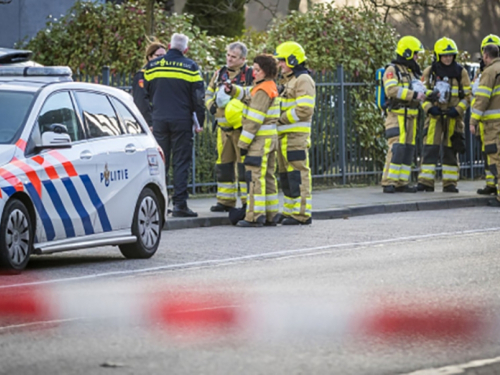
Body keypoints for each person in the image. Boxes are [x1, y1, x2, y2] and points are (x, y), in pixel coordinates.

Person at [144, 33, 205, 217]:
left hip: (159, 120)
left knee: (161, 163)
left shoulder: (152, 66)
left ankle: (159, 204)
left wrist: (149, 120)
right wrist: (199, 122)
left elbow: (143, 94)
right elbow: (199, 98)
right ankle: (180, 205)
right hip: (181, 121)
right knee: (181, 163)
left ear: (169, 46)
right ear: (185, 49)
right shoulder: (191, 67)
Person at [224, 54, 280, 227]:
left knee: (254, 178)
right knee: (268, 177)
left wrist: (243, 144)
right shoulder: (267, 86)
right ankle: (271, 214)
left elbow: (254, 120)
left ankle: (255, 216)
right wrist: (233, 90)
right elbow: (248, 93)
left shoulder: (263, 90)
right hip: (269, 140)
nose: (254, 73)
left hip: (259, 141)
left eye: (257, 70)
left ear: (266, 71)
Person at [417, 37, 471, 193]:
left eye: (450, 55)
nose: (448, 58)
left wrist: (458, 110)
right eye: (444, 55)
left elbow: (468, 96)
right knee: (430, 149)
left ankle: (450, 183)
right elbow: (421, 94)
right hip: (434, 117)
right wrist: (429, 108)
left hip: (453, 118)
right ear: (438, 56)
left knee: (450, 150)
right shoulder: (430, 72)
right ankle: (426, 182)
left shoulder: (461, 72)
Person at [205, 42, 254, 213]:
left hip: (242, 129)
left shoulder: (250, 74)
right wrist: (210, 105)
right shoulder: (220, 73)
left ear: (243, 59)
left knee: (243, 167)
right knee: (224, 166)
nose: (229, 59)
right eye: (228, 55)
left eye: (233, 57)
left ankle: (247, 201)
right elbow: (208, 92)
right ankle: (225, 201)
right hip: (223, 130)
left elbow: (254, 95)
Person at [274, 41, 315, 225]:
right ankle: (289, 211)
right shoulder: (289, 80)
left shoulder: (303, 80)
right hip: (284, 137)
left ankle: (301, 214)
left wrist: (281, 118)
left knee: (298, 174)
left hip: (295, 137)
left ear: (292, 60)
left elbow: (305, 109)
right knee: (286, 175)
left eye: (282, 61)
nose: (280, 64)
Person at [381, 36, 426, 193]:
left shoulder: (411, 72)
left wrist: (428, 95)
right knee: (397, 148)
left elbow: (418, 90)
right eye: (415, 54)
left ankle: (402, 182)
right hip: (397, 116)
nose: (417, 57)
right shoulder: (392, 70)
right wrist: (413, 95)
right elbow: (391, 90)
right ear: (407, 53)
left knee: (408, 149)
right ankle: (388, 182)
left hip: (411, 116)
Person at [469, 44, 500, 207]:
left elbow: (482, 99)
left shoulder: (489, 72)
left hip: (494, 124)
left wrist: (473, 121)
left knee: (496, 158)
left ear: (486, 56)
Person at [132, 38, 166, 128]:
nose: (162, 59)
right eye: (158, 56)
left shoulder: (164, 75)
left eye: (164, 56)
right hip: (151, 123)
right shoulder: (142, 75)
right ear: (150, 57)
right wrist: (149, 123)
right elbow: (141, 101)